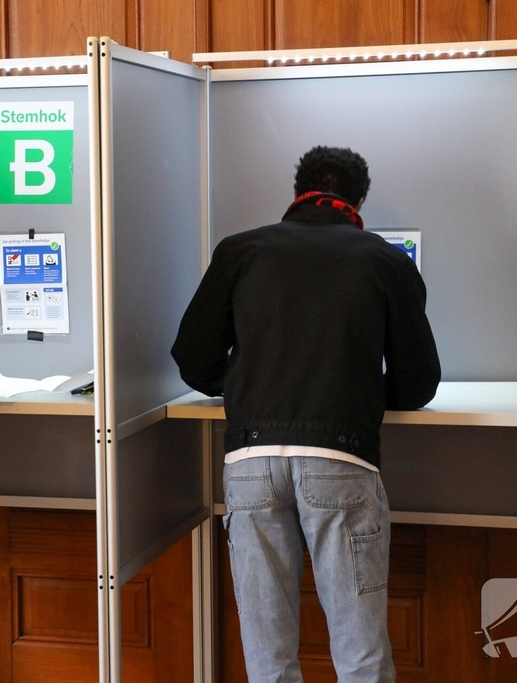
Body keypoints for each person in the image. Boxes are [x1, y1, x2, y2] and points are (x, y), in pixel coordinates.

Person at [171, 146, 440, 682]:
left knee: (268, 656)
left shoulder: (240, 251)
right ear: (358, 199)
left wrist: (252, 386)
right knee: (359, 649)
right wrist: (349, 385)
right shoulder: (385, 260)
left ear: (297, 193)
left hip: (250, 458)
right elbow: (417, 384)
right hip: (341, 459)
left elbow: (192, 358)